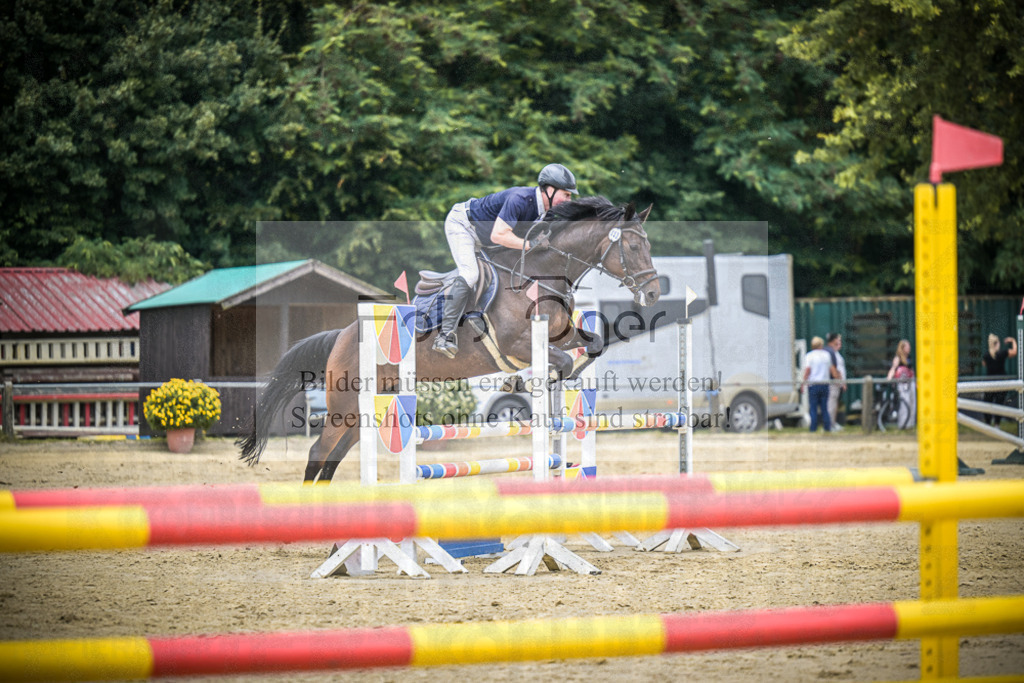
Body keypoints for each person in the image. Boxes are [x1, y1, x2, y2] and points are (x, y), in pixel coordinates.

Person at [432, 164, 579, 358]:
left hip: (487, 236)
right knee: (470, 274)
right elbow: (499, 236)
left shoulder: (547, 211)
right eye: (566, 195)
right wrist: (530, 245)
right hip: (464, 226)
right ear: (549, 190)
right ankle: (445, 334)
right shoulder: (519, 199)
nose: (569, 200)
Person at [801, 336, 840, 433]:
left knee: (813, 408)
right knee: (824, 408)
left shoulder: (809, 356)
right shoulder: (826, 355)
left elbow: (807, 371)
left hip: (813, 384)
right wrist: (838, 378)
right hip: (824, 384)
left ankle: (813, 428)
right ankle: (827, 427)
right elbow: (832, 369)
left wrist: (803, 383)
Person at [981, 333, 1018, 425]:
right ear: (997, 344)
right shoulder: (1002, 353)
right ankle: (997, 424)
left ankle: (988, 423)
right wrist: (1013, 341)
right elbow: (1014, 352)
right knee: (999, 404)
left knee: (987, 403)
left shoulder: (986, 355)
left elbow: (983, 364)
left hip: (989, 383)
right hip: (1001, 383)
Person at [886, 339, 916, 429]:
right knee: (904, 403)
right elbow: (893, 368)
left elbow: (911, 370)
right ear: (902, 348)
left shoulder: (909, 358)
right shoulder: (898, 358)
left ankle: (910, 424)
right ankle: (903, 424)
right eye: (907, 346)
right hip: (903, 384)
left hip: (910, 382)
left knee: (912, 403)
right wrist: (889, 378)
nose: (909, 348)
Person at [825, 332, 847, 432]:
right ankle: (830, 425)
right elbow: (834, 369)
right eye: (838, 341)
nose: (839, 343)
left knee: (835, 404)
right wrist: (839, 378)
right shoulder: (830, 353)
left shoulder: (836, 353)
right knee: (831, 404)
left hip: (838, 383)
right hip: (834, 382)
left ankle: (833, 423)